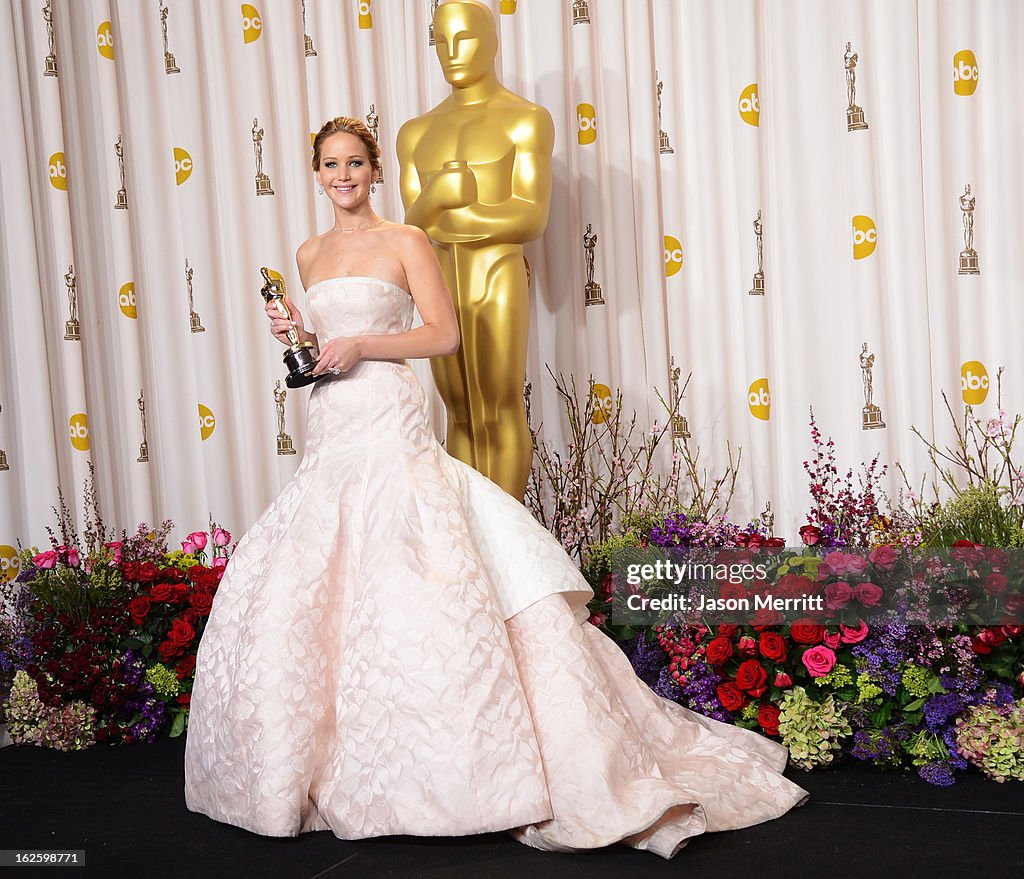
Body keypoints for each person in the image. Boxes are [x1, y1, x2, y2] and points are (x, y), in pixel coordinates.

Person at [183, 117, 808, 859]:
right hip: (332, 421)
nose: (343, 175)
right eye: (330, 165)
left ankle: (458, 772)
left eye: (354, 162)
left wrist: (362, 345)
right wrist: (305, 342)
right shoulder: (309, 252)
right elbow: (324, 350)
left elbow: (442, 334)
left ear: (374, 170)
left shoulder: (406, 239)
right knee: (325, 574)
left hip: (387, 411)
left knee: (413, 563)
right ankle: (337, 762)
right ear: (315, 174)